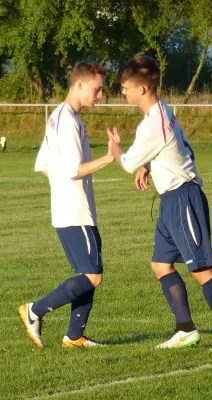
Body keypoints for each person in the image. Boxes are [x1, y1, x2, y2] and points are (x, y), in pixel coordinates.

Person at [106, 55, 212, 351]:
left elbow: (128, 163)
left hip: (183, 199)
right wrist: (150, 165)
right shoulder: (160, 112)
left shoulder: (153, 122)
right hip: (170, 201)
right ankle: (185, 329)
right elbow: (171, 149)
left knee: (200, 268)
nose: (123, 92)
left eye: (126, 87)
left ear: (142, 88)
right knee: (160, 264)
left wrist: (116, 149)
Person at [18, 61, 113, 348]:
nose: (100, 96)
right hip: (75, 211)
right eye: (97, 90)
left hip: (68, 209)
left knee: (87, 273)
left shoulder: (59, 116)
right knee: (93, 277)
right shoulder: (68, 121)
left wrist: (61, 188)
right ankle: (34, 310)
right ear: (80, 84)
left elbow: (45, 166)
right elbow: (74, 170)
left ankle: (74, 337)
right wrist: (111, 156)